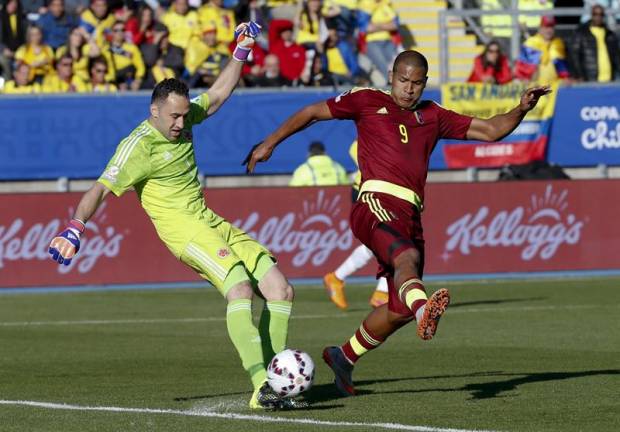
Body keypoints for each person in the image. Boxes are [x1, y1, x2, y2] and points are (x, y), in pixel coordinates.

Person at [244, 49, 550, 396]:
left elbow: (492, 130)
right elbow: (314, 112)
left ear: (424, 84)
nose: (408, 89)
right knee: (408, 260)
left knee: (397, 309)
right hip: (374, 201)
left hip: (410, 214)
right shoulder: (366, 100)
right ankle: (425, 311)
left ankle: (343, 357)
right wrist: (270, 142)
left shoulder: (433, 116)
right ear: (391, 77)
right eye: (403, 80)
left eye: (416, 83)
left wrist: (522, 108)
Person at [48, 22, 304, 411]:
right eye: (173, 117)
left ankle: (278, 381)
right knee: (239, 289)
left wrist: (242, 49)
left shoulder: (183, 120)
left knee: (280, 289)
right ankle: (262, 387)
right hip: (183, 231)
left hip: (209, 220)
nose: (181, 125)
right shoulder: (138, 145)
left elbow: (217, 96)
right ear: (154, 110)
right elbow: (100, 188)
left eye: (185, 116)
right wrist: (75, 226)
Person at [323, 140, 388, 310]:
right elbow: (355, 148)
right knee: (394, 243)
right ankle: (381, 293)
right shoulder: (377, 128)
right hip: (370, 191)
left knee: (384, 244)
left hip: (385, 191)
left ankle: (337, 278)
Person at [569, 4, 620, 82]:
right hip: (589, 80)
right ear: (591, 15)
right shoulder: (581, 33)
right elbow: (574, 56)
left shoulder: (610, 35)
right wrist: (579, 75)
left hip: (609, 80)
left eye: (601, 14)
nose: (598, 17)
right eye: (595, 14)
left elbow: (616, 57)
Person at [514, 15, 570, 85]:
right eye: (546, 27)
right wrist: (523, 79)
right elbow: (522, 68)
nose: (549, 30)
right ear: (540, 28)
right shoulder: (531, 43)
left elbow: (562, 66)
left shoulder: (558, 43)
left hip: (555, 87)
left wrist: (565, 77)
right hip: (535, 86)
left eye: (551, 27)